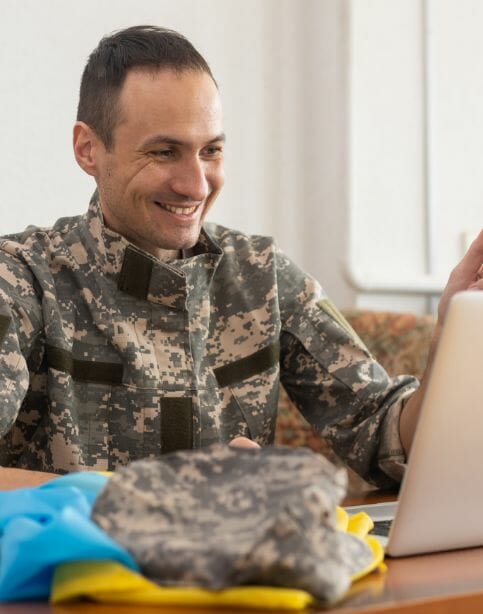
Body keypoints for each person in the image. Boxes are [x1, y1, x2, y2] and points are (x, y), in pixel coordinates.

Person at [0, 26, 482, 489]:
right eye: (164, 152)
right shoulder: (22, 279)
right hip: (68, 551)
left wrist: (455, 333)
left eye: (210, 151)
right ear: (88, 149)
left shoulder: (261, 276)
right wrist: (148, 496)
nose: (196, 185)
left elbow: (388, 438)